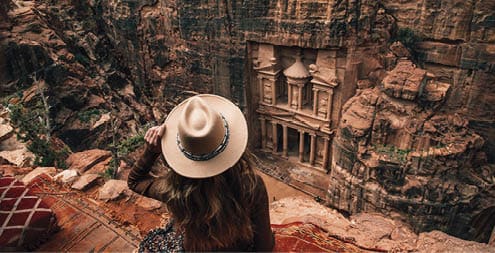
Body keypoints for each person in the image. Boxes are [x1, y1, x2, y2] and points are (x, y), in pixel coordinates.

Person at [128, 94, 274, 252]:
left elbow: (135, 181)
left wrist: (151, 151)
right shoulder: (251, 187)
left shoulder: (174, 192)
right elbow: (264, 246)